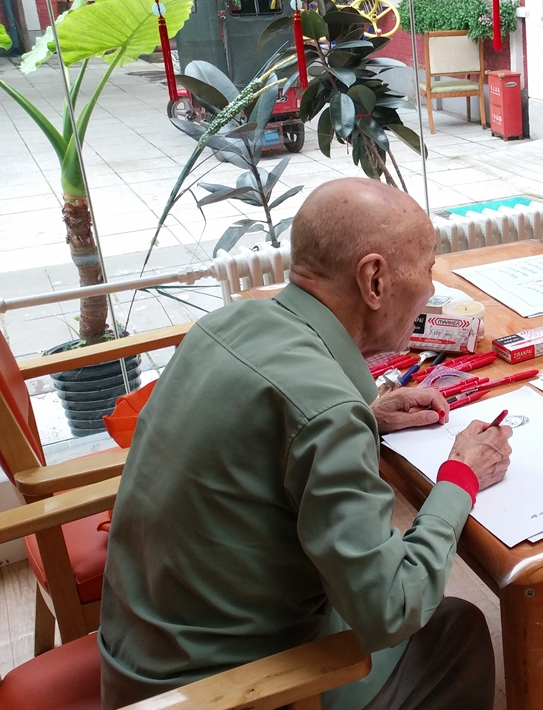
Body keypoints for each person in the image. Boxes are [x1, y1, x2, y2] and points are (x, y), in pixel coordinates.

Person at [98, 179, 514, 710]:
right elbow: (392, 607)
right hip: (226, 693)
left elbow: (259, 438)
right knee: (458, 628)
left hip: (136, 662)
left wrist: (368, 417)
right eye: (427, 268)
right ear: (374, 280)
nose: (431, 290)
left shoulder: (222, 324)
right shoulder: (326, 413)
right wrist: (459, 478)